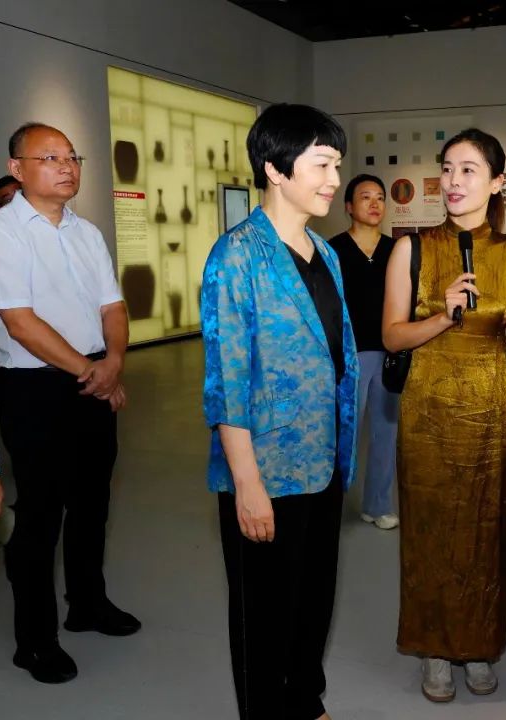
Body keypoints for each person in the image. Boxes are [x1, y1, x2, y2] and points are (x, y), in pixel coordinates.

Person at [382, 128, 506, 703]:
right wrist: (442, 315)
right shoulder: (411, 248)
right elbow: (391, 336)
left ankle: (479, 643)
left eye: (469, 170)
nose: (453, 181)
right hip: (427, 408)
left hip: (490, 409)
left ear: (497, 182)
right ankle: (434, 647)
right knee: (430, 529)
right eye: (448, 168)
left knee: (486, 529)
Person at [200, 104, 358, 720]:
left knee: (314, 597)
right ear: (275, 168)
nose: (334, 180)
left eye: (337, 165)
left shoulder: (325, 252)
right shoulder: (236, 256)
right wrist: (247, 485)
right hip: (266, 468)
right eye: (322, 164)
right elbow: (226, 383)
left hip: (324, 459)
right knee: (263, 613)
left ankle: (304, 699)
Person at [0, 122, 136, 685]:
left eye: (72, 157)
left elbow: (113, 307)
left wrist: (113, 362)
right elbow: (20, 322)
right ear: (17, 169)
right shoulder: (4, 232)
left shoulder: (87, 232)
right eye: (50, 157)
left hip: (92, 378)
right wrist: (92, 371)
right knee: (39, 515)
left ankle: (87, 604)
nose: (67, 167)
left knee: (92, 501)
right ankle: (34, 641)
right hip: (34, 389)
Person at [328, 174, 399, 530]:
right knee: (344, 433)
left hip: (389, 353)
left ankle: (377, 504)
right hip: (349, 356)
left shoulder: (396, 250)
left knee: (386, 433)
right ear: (349, 206)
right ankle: (328, 504)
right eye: (366, 197)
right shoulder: (333, 250)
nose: (374, 204)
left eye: (380, 197)